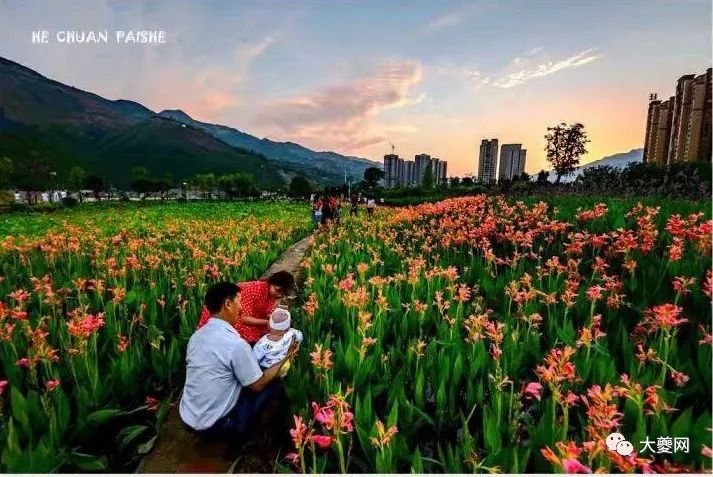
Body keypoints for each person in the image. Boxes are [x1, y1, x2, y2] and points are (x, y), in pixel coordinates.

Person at [179, 282, 298, 440]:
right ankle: (248, 437)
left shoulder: (196, 337)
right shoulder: (235, 344)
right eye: (239, 302)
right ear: (228, 304)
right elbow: (258, 384)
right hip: (215, 426)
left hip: (187, 418)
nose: (241, 308)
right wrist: (286, 356)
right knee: (274, 387)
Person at [198, 271, 297, 345]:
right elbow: (243, 319)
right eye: (278, 290)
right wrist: (270, 322)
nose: (280, 295)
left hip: (237, 316)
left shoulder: (271, 294)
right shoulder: (253, 290)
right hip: (224, 316)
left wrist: (272, 318)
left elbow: (265, 312)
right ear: (271, 283)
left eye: (283, 293)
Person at [252, 308, 303, 378]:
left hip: (268, 370)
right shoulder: (291, 333)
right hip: (285, 366)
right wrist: (297, 344)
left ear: (269, 325)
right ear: (288, 326)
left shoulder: (262, 343)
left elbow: (254, 359)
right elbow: (300, 335)